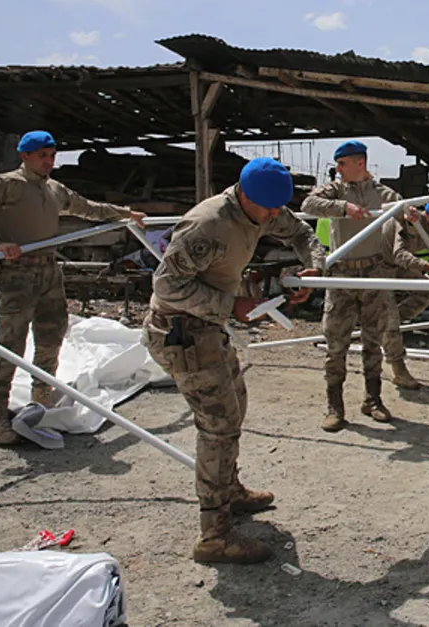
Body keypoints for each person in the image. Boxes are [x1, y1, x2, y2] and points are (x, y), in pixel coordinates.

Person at [142, 157, 323, 564]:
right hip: (182, 332)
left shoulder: (264, 207)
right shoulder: (207, 225)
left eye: (278, 208)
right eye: (268, 209)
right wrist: (232, 304)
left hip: (208, 328)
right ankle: (214, 535)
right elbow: (167, 285)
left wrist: (313, 265)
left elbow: (300, 231)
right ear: (243, 195)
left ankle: (230, 490)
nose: (273, 216)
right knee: (218, 427)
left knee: (234, 407)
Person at [0, 130, 146, 445]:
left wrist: (125, 214)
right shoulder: (4, 186)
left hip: (48, 272)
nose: (49, 161)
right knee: (10, 345)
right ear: (25, 156)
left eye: (52, 155)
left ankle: (42, 403)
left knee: (51, 336)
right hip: (15, 274)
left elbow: (88, 208)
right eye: (42, 154)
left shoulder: (54, 189)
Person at [301, 140, 403, 431]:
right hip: (341, 276)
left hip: (372, 274)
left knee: (373, 340)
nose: (338, 169)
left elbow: (401, 208)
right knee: (336, 343)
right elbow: (308, 204)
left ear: (359, 163)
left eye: (342, 164)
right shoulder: (335, 189)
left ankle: (373, 400)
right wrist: (343, 207)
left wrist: (410, 215)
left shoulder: (381, 192)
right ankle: (335, 406)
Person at [379, 200, 429, 386]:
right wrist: (427, 266)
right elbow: (399, 254)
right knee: (389, 319)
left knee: (427, 290)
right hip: (379, 266)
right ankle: (399, 370)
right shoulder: (409, 220)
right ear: (427, 215)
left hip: (401, 268)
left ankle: (387, 324)